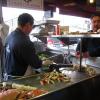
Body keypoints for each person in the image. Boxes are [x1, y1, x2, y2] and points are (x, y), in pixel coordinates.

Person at [3, 13, 42, 80]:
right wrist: (42, 62)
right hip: (20, 79)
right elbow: (36, 64)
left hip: (8, 76)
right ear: (27, 25)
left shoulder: (10, 36)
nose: (31, 30)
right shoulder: (25, 41)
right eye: (31, 27)